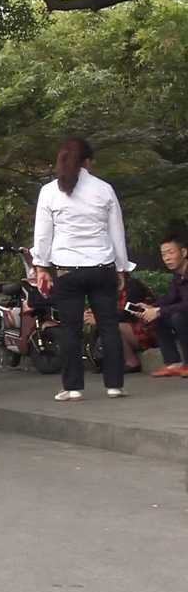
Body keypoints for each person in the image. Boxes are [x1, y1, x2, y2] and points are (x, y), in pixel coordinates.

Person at [32, 138, 133, 401]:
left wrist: (41, 266)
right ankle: (114, 385)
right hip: (102, 268)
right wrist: (121, 268)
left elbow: (43, 235)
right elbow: (117, 232)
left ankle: (74, 387)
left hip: (67, 270)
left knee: (70, 329)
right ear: (88, 161)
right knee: (109, 326)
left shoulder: (49, 191)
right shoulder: (104, 189)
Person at [139, 232, 188, 376]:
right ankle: (173, 363)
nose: (167, 258)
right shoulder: (178, 276)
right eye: (163, 254)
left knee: (178, 317)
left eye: (171, 252)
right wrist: (151, 308)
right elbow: (170, 298)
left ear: (184, 252)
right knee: (159, 318)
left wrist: (159, 310)